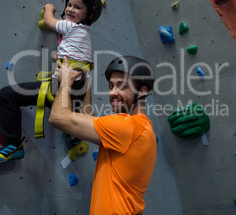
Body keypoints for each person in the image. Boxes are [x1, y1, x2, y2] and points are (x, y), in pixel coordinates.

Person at [0, 0, 102, 163]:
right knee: (68, 109)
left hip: (61, 87)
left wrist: (49, 9)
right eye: (69, 5)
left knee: (6, 96)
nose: (70, 9)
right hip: (79, 89)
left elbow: (49, 21)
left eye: (77, 7)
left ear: (88, 16)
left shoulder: (70, 26)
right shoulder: (85, 37)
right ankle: (74, 135)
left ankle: (14, 145)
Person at [49, 55, 157, 215]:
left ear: (142, 91)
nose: (113, 92)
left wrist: (66, 81)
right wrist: (86, 78)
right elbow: (88, 117)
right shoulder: (141, 128)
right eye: (111, 86)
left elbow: (57, 117)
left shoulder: (126, 126)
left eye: (122, 86)